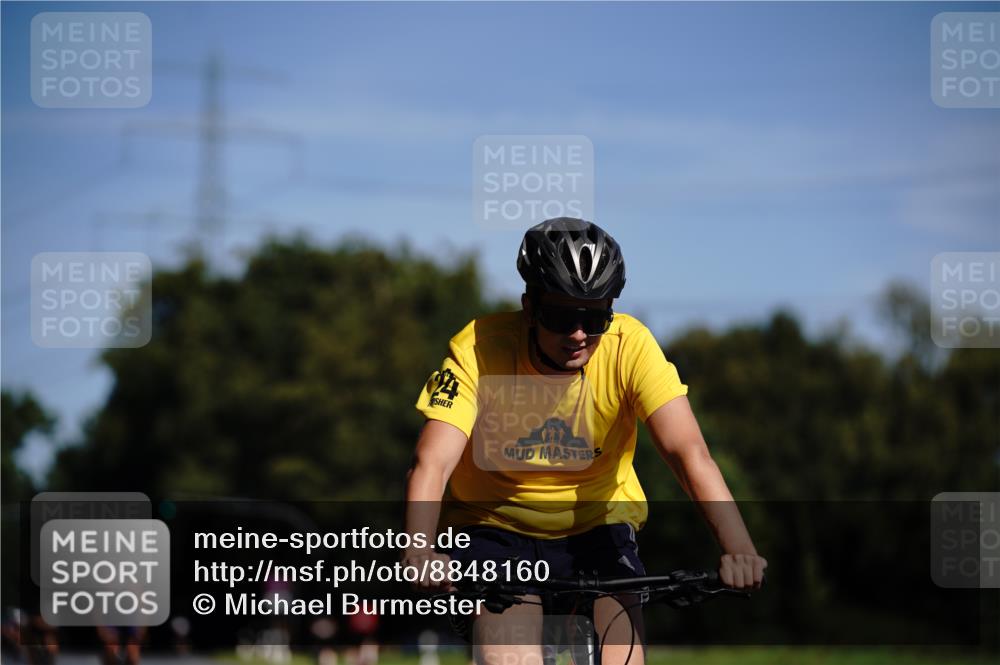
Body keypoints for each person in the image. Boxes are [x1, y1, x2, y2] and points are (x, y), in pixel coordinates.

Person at [403, 218, 766, 665]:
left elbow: (688, 453)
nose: (578, 334)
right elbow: (432, 463)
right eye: (561, 316)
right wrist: (419, 548)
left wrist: (739, 550)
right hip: (493, 529)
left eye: (594, 317)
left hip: (599, 526)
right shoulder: (480, 347)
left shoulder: (630, 345)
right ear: (530, 307)